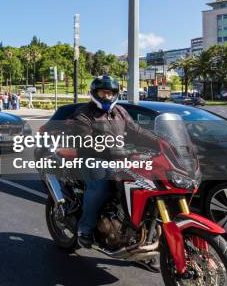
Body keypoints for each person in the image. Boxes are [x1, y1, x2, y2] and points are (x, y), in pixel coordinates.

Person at [69, 75, 161, 272]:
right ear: (95, 93)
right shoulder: (84, 114)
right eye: (104, 92)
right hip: (92, 158)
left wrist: (161, 142)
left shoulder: (119, 111)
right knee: (101, 187)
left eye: (111, 93)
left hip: (118, 158)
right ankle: (85, 229)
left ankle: (140, 240)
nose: (108, 96)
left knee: (145, 188)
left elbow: (136, 131)